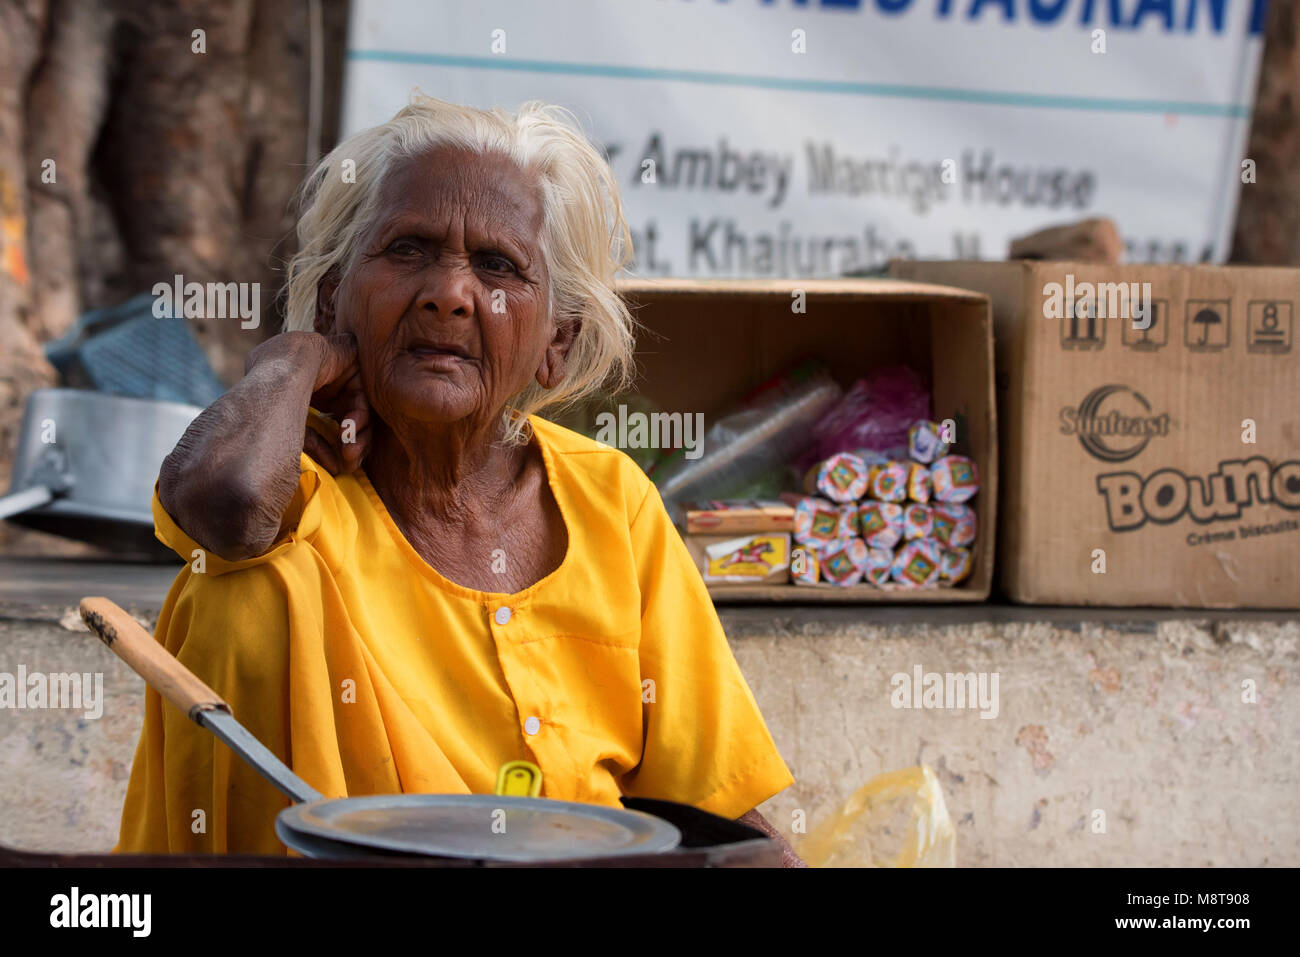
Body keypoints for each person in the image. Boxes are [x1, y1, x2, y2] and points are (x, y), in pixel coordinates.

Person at [116, 92, 802, 866]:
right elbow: (227, 505)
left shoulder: (613, 503)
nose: (449, 290)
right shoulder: (291, 488)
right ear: (337, 296)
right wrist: (292, 358)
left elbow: (716, 808)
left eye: (499, 266)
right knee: (238, 591)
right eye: (408, 248)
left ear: (557, 342)